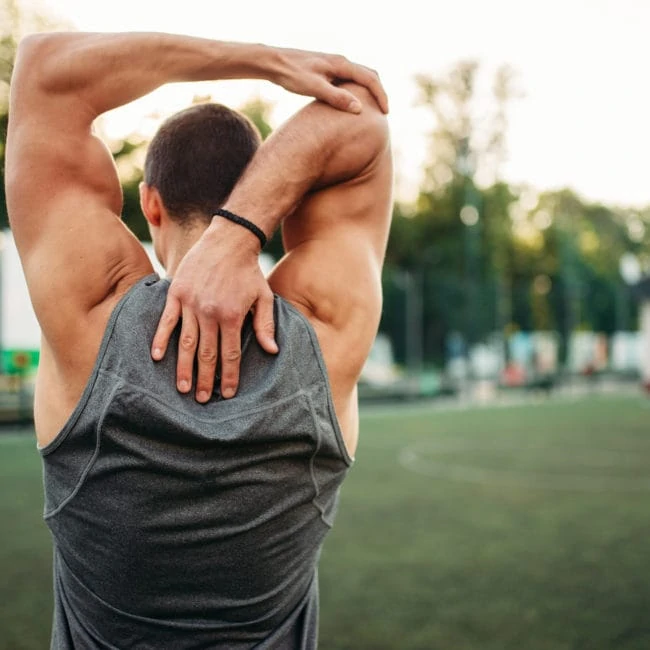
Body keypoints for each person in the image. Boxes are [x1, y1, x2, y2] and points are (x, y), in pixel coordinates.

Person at [6, 30, 392, 648]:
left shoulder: (89, 312)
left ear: (151, 205)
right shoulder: (326, 327)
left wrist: (263, 61)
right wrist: (239, 232)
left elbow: (47, 70)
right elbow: (363, 119)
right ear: (279, 202)